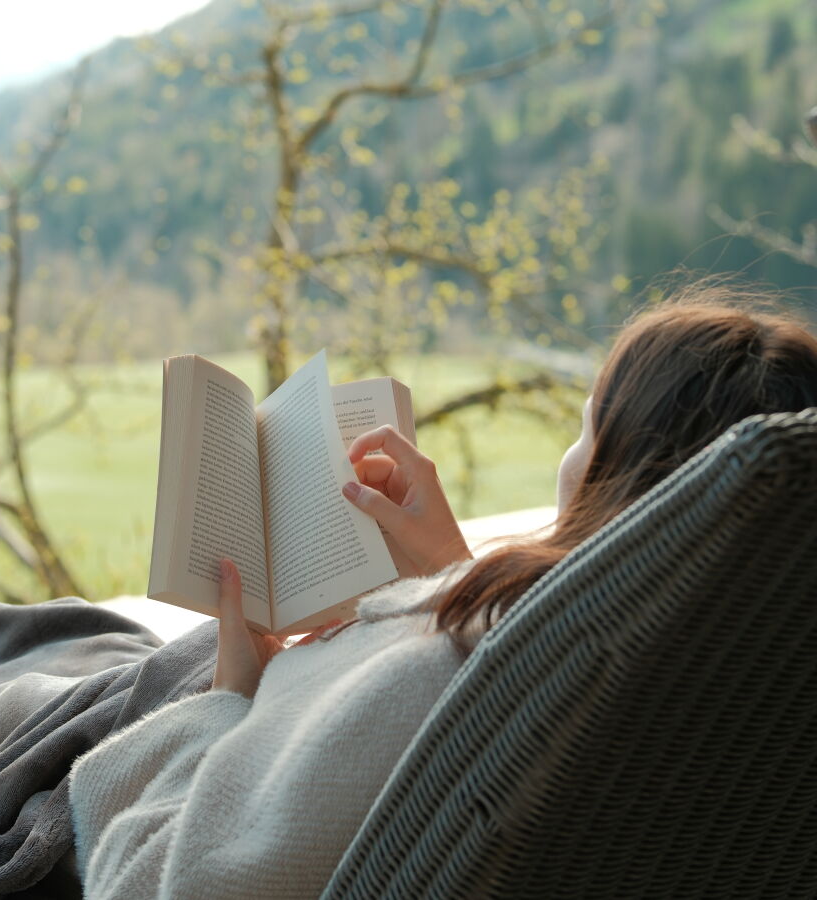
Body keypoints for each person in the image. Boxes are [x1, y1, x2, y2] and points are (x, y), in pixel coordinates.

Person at [67, 290, 817, 899]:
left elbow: (152, 882)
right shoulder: (760, 699)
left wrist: (224, 701)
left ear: (619, 479)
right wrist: (453, 574)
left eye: (588, 426)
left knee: (24, 648)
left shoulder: (445, 674)